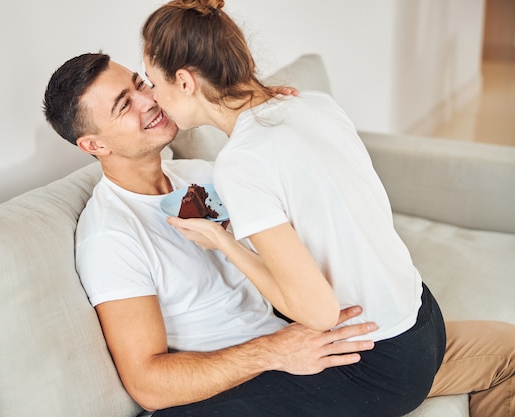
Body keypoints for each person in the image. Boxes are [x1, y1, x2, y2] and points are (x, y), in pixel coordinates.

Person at [42, 52, 515, 417]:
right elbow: (147, 382)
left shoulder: (202, 173)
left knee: (509, 353)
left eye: (141, 84)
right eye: (125, 105)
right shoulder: (112, 236)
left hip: (316, 337)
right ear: (94, 144)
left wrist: (276, 111)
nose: (148, 100)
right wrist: (274, 351)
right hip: (269, 372)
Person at [141, 0, 445, 415]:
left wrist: (224, 243)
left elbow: (319, 313)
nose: (154, 98)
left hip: (380, 364)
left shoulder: (242, 162)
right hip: (425, 319)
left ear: (184, 80)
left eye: (152, 83)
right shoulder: (313, 104)